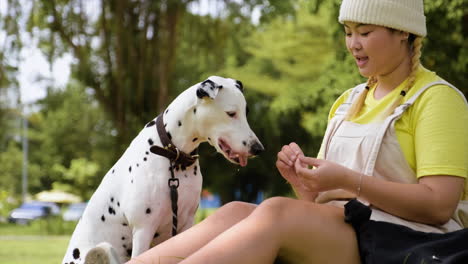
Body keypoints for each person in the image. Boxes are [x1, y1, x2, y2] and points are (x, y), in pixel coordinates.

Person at [127, 0, 468, 263]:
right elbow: (317, 203)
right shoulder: (348, 102)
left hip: (410, 241)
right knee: (234, 212)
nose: (353, 44)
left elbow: (439, 205)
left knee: (276, 212)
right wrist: (302, 180)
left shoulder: (437, 99)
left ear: (403, 32)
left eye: (365, 33)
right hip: (349, 230)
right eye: (348, 32)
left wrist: (349, 181)